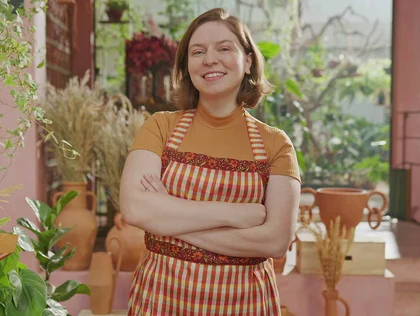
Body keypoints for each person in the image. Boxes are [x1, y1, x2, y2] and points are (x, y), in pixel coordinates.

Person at [119, 7, 301, 315]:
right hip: (161, 300)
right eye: (198, 51)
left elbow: (275, 241)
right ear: (187, 66)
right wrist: (240, 214)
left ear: (248, 61)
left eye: (224, 48)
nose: (209, 60)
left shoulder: (275, 144)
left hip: (245, 303)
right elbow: (135, 208)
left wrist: (169, 219)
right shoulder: (160, 127)